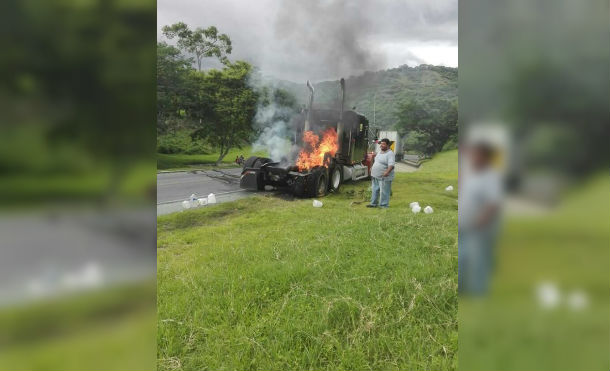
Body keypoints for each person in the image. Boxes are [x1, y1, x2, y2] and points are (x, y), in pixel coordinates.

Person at [458, 141, 503, 295]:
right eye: (473, 154)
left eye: (477, 154)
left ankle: (479, 294)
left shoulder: (491, 176)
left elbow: (493, 204)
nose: (473, 157)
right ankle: (462, 289)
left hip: (479, 228)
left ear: (486, 157)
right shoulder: (471, 173)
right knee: (462, 258)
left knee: (478, 261)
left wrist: (479, 222)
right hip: (465, 225)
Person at [367, 138, 395, 208]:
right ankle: (373, 204)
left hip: (384, 177)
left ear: (388, 145)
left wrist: (387, 172)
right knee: (375, 190)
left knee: (384, 192)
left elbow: (391, 165)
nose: (381, 145)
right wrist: (371, 167)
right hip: (375, 175)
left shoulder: (390, 154)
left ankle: (384, 205)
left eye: (383, 144)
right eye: (381, 144)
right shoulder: (380, 152)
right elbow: (376, 161)